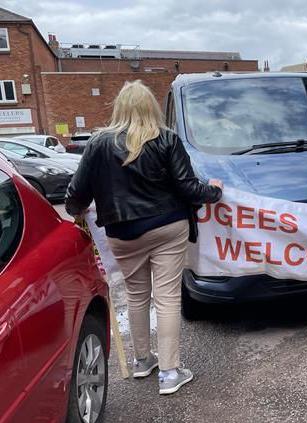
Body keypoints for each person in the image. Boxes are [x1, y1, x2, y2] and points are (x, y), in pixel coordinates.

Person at [65, 80, 223, 395]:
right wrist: (215, 191)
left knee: (137, 296)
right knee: (167, 298)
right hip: (167, 226)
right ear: (151, 107)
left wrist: (77, 212)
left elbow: (76, 194)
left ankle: (142, 360)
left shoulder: (98, 144)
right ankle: (169, 372)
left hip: (122, 232)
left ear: (119, 109)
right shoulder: (166, 139)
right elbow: (188, 188)